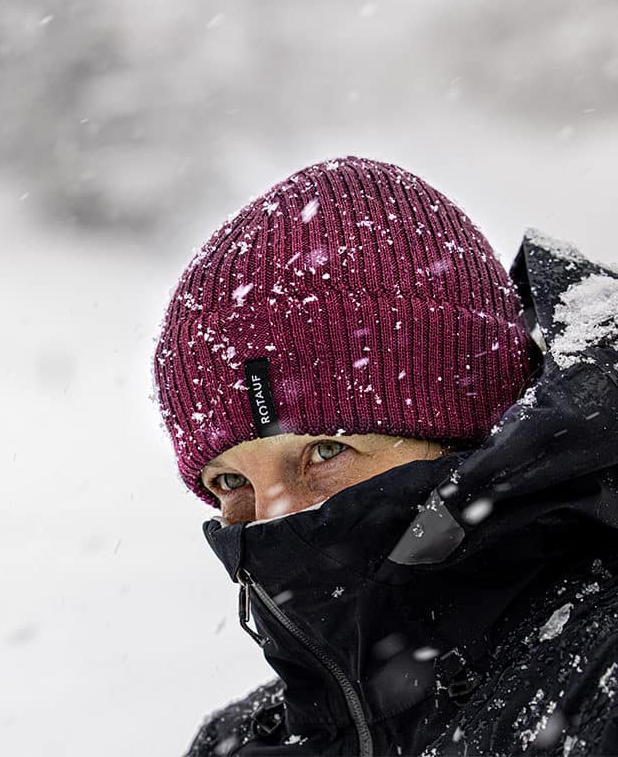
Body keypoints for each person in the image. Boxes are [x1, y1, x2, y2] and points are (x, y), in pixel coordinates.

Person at [153, 156, 618, 756]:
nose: (271, 517)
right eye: (231, 478)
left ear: (472, 434)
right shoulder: (239, 744)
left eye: (325, 450)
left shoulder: (598, 690)